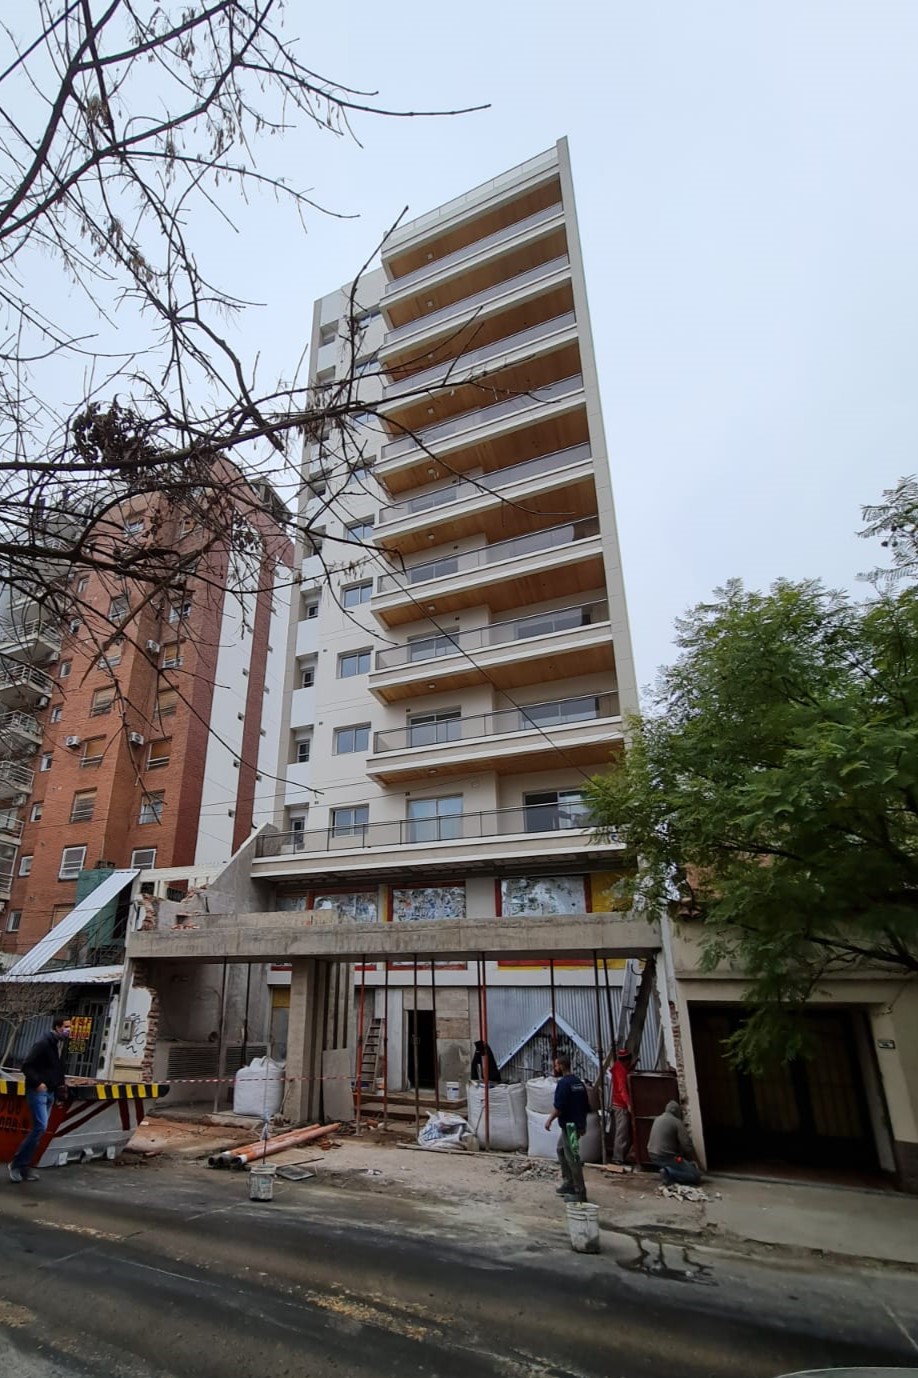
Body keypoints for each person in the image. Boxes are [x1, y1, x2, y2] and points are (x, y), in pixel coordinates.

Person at [9, 1015, 71, 1184]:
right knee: (40, 1127)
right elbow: (26, 1066)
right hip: (38, 1091)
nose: (68, 1030)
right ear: (57, 1027)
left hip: (50, 1092)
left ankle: (24, 1167)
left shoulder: (59, 1044)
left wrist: (60, 1088)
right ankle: (17, 1164)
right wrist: (38, 1083)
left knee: (39, 1130)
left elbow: (57, 1069)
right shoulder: (43, 1043)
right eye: (66, 1027)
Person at [544, 1054, 589, 1203]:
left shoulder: (564, 1084)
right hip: (575, 1125)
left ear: (562, 1066)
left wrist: (549, 1120)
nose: (555, 1068)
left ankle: (580, 1192)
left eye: (556, 1065)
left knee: (573, 1158)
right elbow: (585, 1106)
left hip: (570, 1127)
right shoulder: (578, 1083)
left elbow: (560, 1107)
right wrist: (583, 1124)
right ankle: (568, 1183)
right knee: (561, 1150)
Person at [647, 1099, 701, 1186]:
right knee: (695, 1176)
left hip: (652, 1155)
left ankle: (669, 1170)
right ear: (677, 1112)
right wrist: (695, 1160)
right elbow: (687, 1145)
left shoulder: (658, 1119)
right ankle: (669, 1172)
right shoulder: (676, 1122)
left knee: (679, 1163)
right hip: (667, 1157)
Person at [610, 1048, 634, 1165]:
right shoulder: (621, 1071)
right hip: (621, 1105)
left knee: (622, 1132)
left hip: (618, 1104)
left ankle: (620, 1156)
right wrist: (628, 1104)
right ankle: (617, 1158)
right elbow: (622, 1089)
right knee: (622, 1132)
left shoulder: (618, 1067)